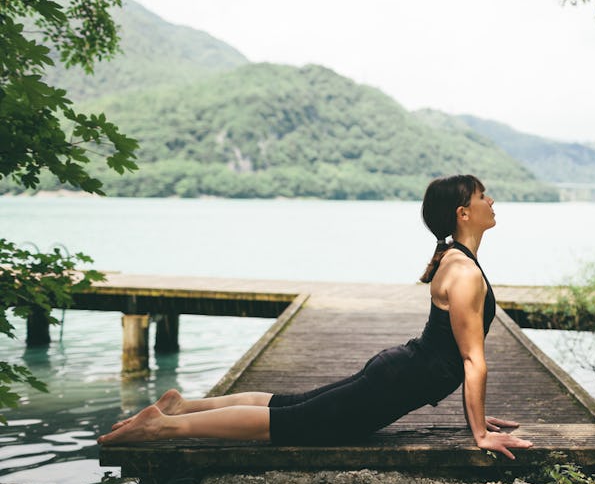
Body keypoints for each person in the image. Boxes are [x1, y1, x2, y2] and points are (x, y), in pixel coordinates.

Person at [97, 174, 533, 460]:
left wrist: (475, 414)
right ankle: (165, 427)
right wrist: (479, 433)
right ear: (463, 213)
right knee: (288, 423)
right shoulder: (465, 272)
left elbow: (453, 352)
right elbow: (472, 359)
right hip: (399, 379)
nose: (491, 201)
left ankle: (181, 407)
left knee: (289, 405)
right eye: (482, 196)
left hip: (399, 371)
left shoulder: (455, 262)